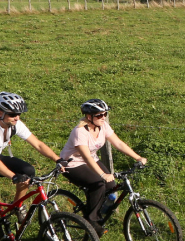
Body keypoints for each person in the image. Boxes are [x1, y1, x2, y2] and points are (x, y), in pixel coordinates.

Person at [0, 92, 64, 241]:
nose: (17, 117)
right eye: (12, 114)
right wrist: (14, 176)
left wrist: (58, 159)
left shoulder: (15, 124)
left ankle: (17, 206)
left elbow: (38, 144)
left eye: (18, 114)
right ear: (0, 113)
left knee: (28, 170)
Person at [59, 99, 147, 234]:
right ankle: (91, 221)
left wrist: (137, 157)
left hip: (91, 160)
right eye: (99, 115)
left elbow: (118, 143)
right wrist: (102, 175)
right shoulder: (80, 132)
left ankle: (95, 209)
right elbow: (86, 157)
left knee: (111, 187)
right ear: (89, 117)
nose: (103, 117)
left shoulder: (103, 126)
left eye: (105, 114)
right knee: (99, 184)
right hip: (71, 164)